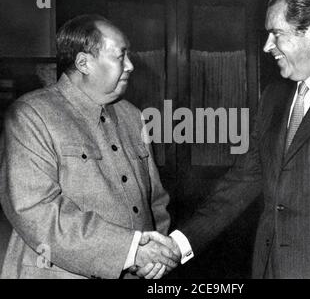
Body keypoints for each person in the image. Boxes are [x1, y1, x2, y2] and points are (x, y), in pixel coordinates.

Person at [145, 0, 310, 278]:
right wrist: (178, 244)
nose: (267, 46)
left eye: (277, 34)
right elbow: (241, 182)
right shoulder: (273, 98)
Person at [0, 14, 192, 279]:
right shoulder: (31, 116)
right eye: (120, 56)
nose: (131, 66)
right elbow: (36, 212)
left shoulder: (133, 116)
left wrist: (156, 257)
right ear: (84, 63)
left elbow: (154, 202)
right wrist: (130, 251)